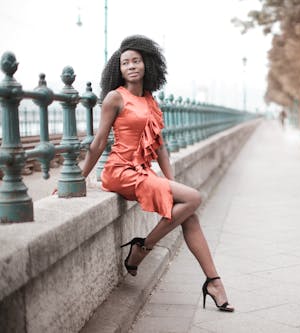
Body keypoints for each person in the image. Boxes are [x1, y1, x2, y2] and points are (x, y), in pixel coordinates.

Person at [80, 35, 234, 312]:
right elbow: (99, 142)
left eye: (136, 61)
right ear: (119, 68)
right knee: (194, 198)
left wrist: (171, 182)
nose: (131, 66)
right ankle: (142, 249)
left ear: (147, 64)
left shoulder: (151, 100)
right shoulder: (115, 98)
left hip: (143, 171)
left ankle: (214, 281)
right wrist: (78, 178)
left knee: (189, 212)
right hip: (120, 171)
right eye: (125, 62)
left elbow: (160, 145)